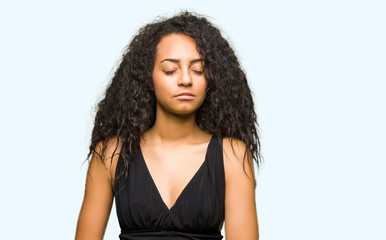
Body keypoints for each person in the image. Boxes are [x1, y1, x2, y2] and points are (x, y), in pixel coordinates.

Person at [75, 11, 260, 240]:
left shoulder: (232, 157)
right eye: (170, 70)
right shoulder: (110, 154)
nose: (185, 79)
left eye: (198, 70)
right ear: (148, 78)